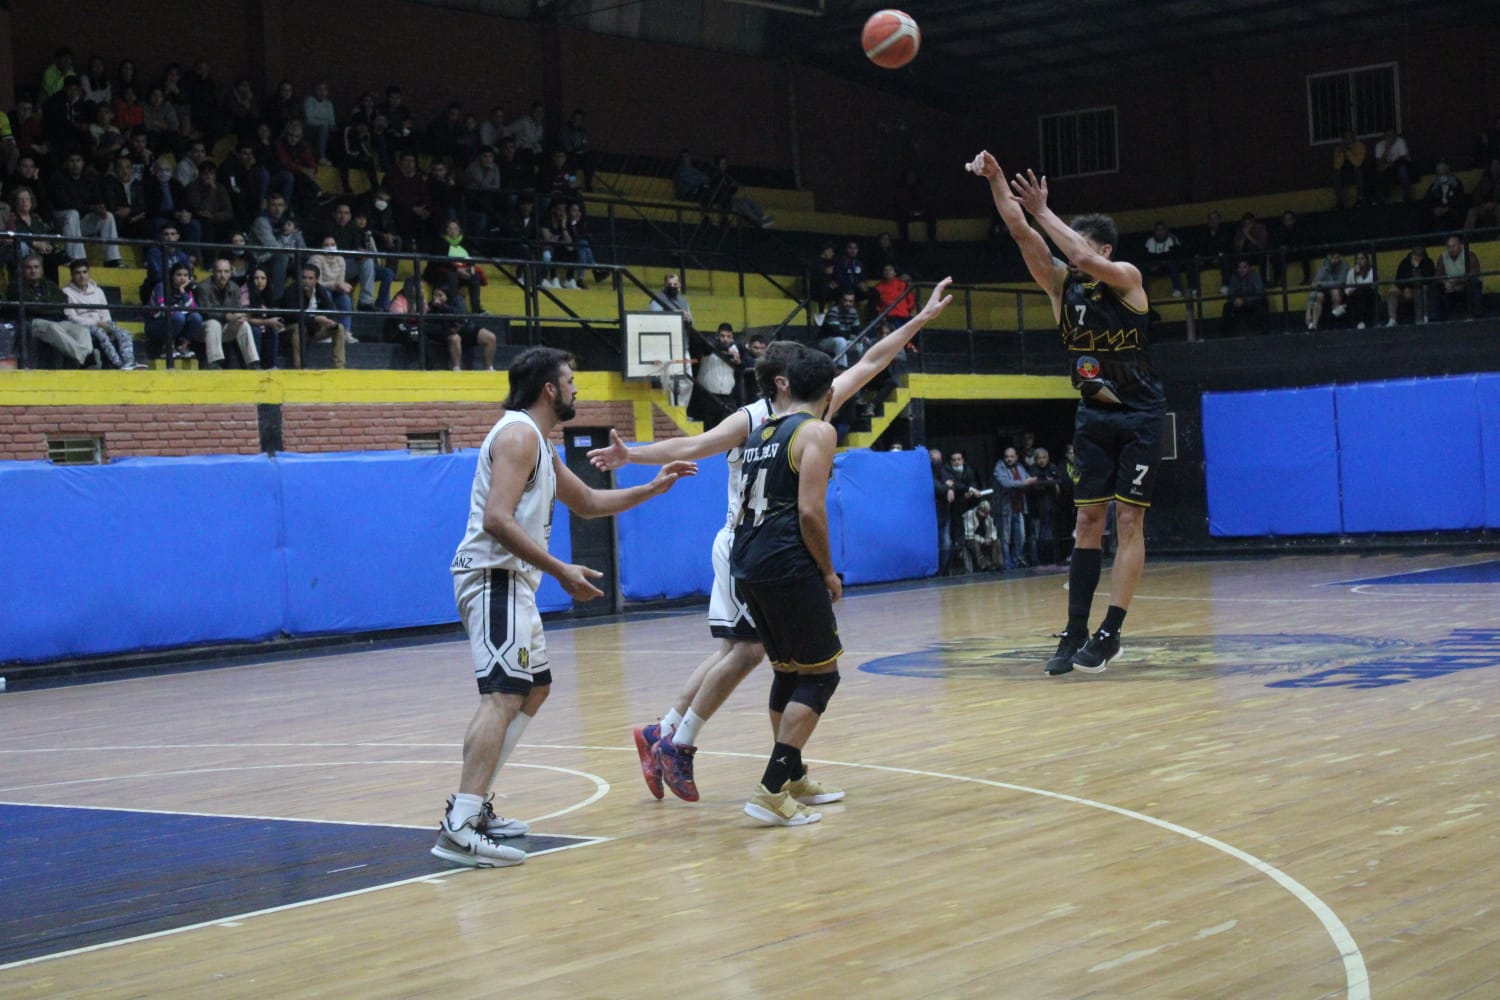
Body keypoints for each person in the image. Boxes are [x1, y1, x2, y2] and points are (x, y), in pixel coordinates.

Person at [588, 279, 953, 803]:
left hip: (766, 545)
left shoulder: (816, 406)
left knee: (751, 652)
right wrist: (633, 456)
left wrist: (917, 322)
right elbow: (696, 443)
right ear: (783, 382)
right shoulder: (758, 417)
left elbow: (872, 361)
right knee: (757, 653)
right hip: (754, 541)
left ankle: (671, 734)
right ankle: (681, 742)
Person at [435, 347, 695, 867]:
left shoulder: (540, 444)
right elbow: (496, 519)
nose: (577, 389)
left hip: (512, 580)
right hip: (494, 575)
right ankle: (460, 823)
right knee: (503, 694)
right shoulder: (516, 435)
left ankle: (475, 807)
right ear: (549, 389)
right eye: (571, 381)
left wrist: (652, 487)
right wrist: (560, 570)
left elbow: (589, 503)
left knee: (532, 689)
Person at [971, 149, 1166, 676]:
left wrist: (1043, 210)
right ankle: (1076, 627)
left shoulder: (1126, 277)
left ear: (1101, 247)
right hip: (1094, 416)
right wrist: (995, 181)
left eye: (1077, 243)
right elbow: (1020, 231)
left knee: (1128, 520)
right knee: (1086, 520)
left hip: (1141, 415)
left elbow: (1078, 253)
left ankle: (1111, 631)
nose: (1067, 249)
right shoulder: (1062, 286)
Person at [728, 343, 844, 825]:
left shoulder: (759, 432)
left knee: (789, 671)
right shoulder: (817, 431)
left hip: (747, 559)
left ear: (788, 386)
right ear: (830, 391)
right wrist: (828, 571)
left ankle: (793, 774)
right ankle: (772, 789)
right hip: (786, 561)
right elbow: (810, 512)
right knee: (822, 675)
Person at [63, 258, 142, 369]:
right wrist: (96, 323)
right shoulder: (67, 292)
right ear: (72, 275)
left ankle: (129, 362)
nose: (82, 276)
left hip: (102, 323)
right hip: (83, 326)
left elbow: (105, 313)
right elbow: (71, 318)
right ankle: (118, 364)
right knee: (101, 333)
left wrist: (107, 324)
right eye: (78, 273)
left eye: (84, 272)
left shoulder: (98, 291)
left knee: (123, 333)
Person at [1385, 243, 1436, 326]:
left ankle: (1425, 317)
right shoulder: (1405, 262)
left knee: (1424, 289)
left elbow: (1430, 280)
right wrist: (1405, 288)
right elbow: (1398, 280)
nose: (1419, 248)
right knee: (1392, 291)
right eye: (1416, 246)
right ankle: (1392, 319)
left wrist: (1415, 288)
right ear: (1412, 248)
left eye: (1420, 246)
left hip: (1422, 289)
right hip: (1406, 290)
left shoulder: (1428, 262)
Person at [1305, 250, 1349, 332]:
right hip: (1325, 294)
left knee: (1334, 290)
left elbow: (1340, 283)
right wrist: (1308, 308)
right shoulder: (1323, 268)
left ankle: (1335, 316)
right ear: (1329, 257)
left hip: (1340, 292)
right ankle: (1314, 324)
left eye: (1338, 258)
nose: (1337, 260)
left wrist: (1322, 284)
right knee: (1318, 295)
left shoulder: (1344, 265)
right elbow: (1314, 286)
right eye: (1335, 258)